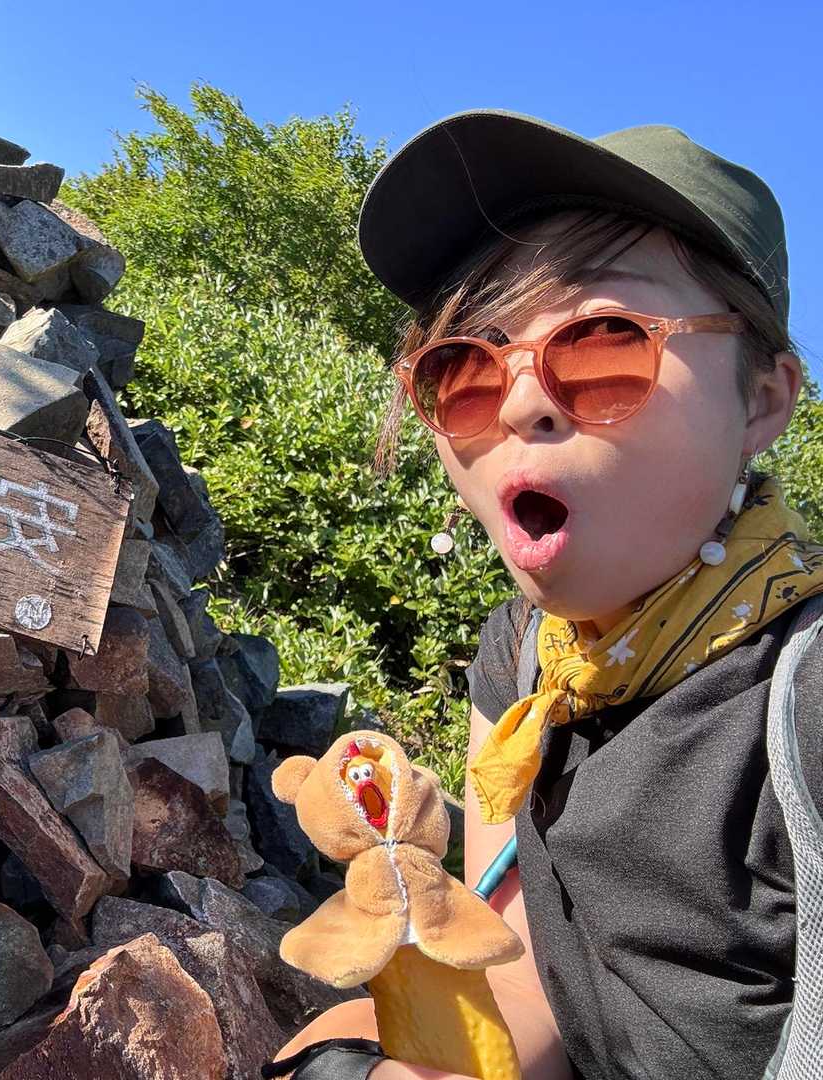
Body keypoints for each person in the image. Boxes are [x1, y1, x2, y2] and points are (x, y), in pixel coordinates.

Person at [268, 109, 820, 1079]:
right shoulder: (525, 655)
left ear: (763, 399)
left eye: (604, 339)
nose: (523, 402)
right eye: (464, 370)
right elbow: (528, 979)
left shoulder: (800, 705)